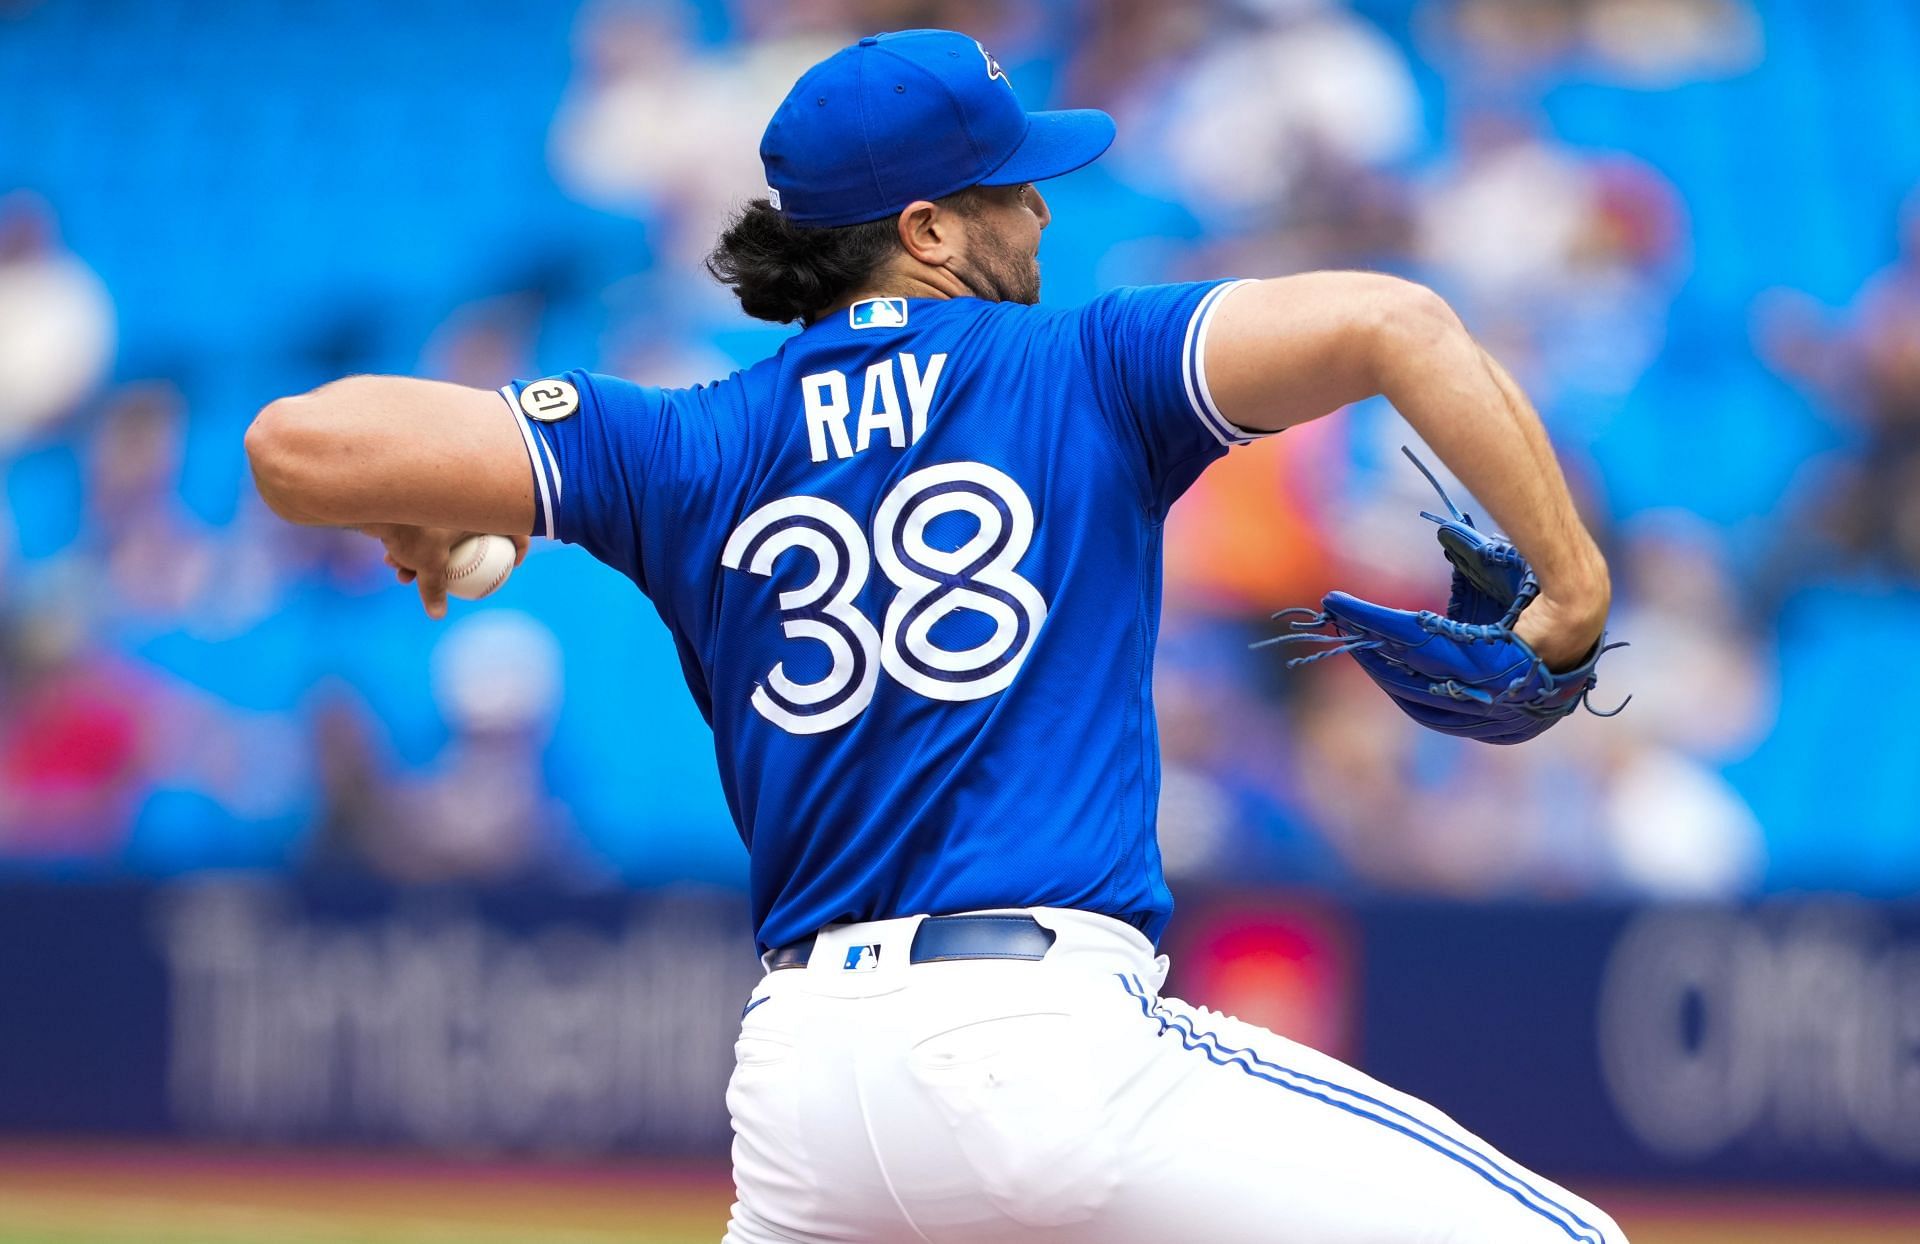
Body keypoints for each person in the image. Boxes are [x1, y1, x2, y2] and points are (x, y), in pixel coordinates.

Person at [246, 28, 1620, 1244]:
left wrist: (438, 503)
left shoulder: (688, 440)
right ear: (927, 231)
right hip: (1042, 1050)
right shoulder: (1093, 368)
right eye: (1007, 186)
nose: (1037, 205)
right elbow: (1399, 320)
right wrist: (1568, 593)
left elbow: (295, 444)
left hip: (806, 1100)